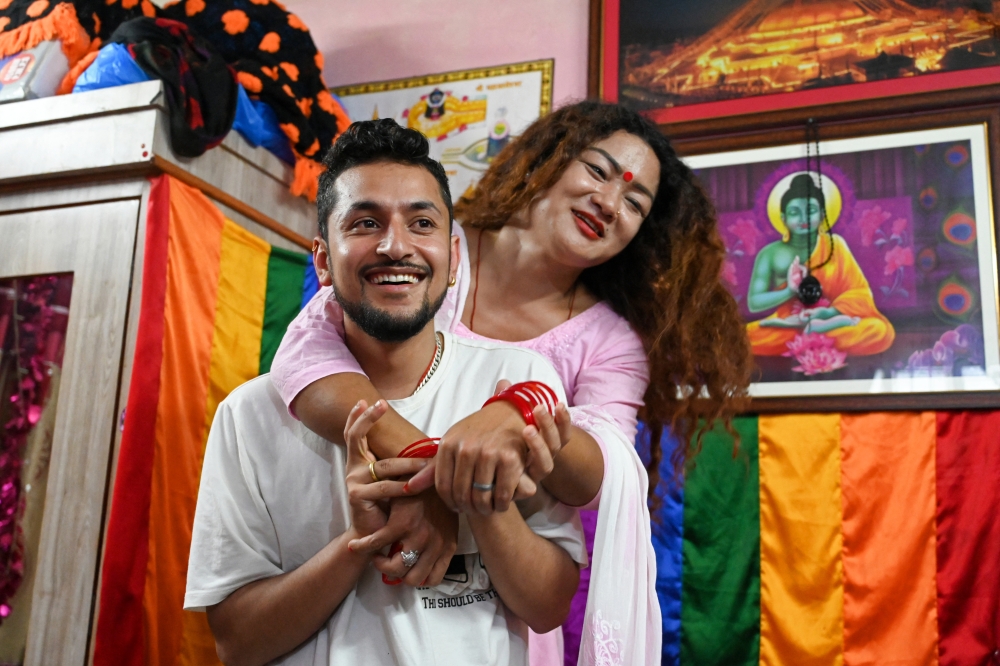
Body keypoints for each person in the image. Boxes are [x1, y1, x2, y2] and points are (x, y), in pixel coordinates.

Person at [271, 103, 753, 665]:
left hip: (493, 607)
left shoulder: (609, 342)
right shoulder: (429, 247)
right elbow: (306, 360)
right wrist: (434, 479)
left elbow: (603, 473)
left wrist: (522, 409)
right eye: (597, 170)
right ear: (550, 159)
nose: (609, 201)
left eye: (635, 203)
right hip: (365, 553)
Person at [184, 119, 587, 665]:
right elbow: (236, 642)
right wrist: (360, 542)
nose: (396, 246)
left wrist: (473, 495)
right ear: (323, 259)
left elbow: (548, 607)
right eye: (365, 222)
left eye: (421, 222)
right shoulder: (250, 414)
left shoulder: (515, 382)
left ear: (453, 258)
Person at [746, 172, 895, 356]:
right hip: (789, 325)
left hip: (831, 319)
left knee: (879, 331)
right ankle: (815, 338)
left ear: (823, 214)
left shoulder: (835, 245)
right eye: (794, 212)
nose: (803, 219)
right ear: (783, 218)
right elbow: (754, 303)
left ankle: (814, 334)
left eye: (810, 211)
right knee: (742, 337)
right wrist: (790, 290)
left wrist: (829, 313)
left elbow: (858, 292)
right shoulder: (770, 253)